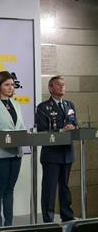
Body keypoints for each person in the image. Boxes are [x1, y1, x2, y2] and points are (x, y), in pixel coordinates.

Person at [0, 71, 25, 227]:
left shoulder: (16, 104)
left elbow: (20, 127)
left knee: (10, 190)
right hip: (0, 154)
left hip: (16, 153)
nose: (10, 88)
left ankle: (9, 225)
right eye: (7, 85)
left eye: (12, 85)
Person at [36, 75, 76, 223]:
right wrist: (61, 130)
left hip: (67, 153)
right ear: (50, 88)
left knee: (65, 186)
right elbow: (42, 129)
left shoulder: (70, 105)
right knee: (50, 188)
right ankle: (48, 218)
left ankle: (67, 215)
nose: (62, 87)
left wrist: (73, 127)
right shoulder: (43, 107)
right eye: (58, 84)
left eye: (63, 84)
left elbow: (75, 124)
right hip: (52, 154)